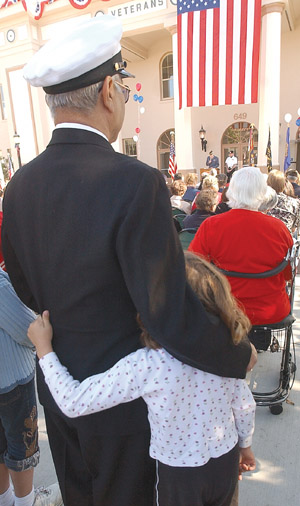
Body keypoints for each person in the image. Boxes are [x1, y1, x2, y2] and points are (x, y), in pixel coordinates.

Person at [2, 15, 254, 506]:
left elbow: (26, 287)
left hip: (61, 382)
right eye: (122, 85)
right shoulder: (135, 181)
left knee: (81, 494)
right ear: (108, 93)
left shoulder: (18, 187)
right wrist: (236, 356)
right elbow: (167, 309)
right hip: (124, 395)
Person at [27, 253, 256, 506]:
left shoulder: (151, 364)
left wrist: (44, 350)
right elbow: (244, 406)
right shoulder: (230, 353)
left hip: (179, 475)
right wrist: (245, 447)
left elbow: (73, 402)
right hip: (225, 460)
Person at [189, 167, 293, 327]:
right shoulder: (280, 229)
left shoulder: (211, 225)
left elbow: (193, 267)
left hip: (225, 309)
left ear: (232, 191)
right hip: (271, 311)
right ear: (263, 193)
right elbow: (288, 275)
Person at [0, 268, 62, 506]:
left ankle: (5, 498)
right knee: (22, 443)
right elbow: (27, 330)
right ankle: (27, 501)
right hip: (12, 380)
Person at [267, 169, 300, 234]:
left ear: (268, 184)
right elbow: (294, 228)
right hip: (285, 239)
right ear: (285, 184)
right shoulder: (295, 203)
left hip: (267, 238)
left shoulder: (263, 202)